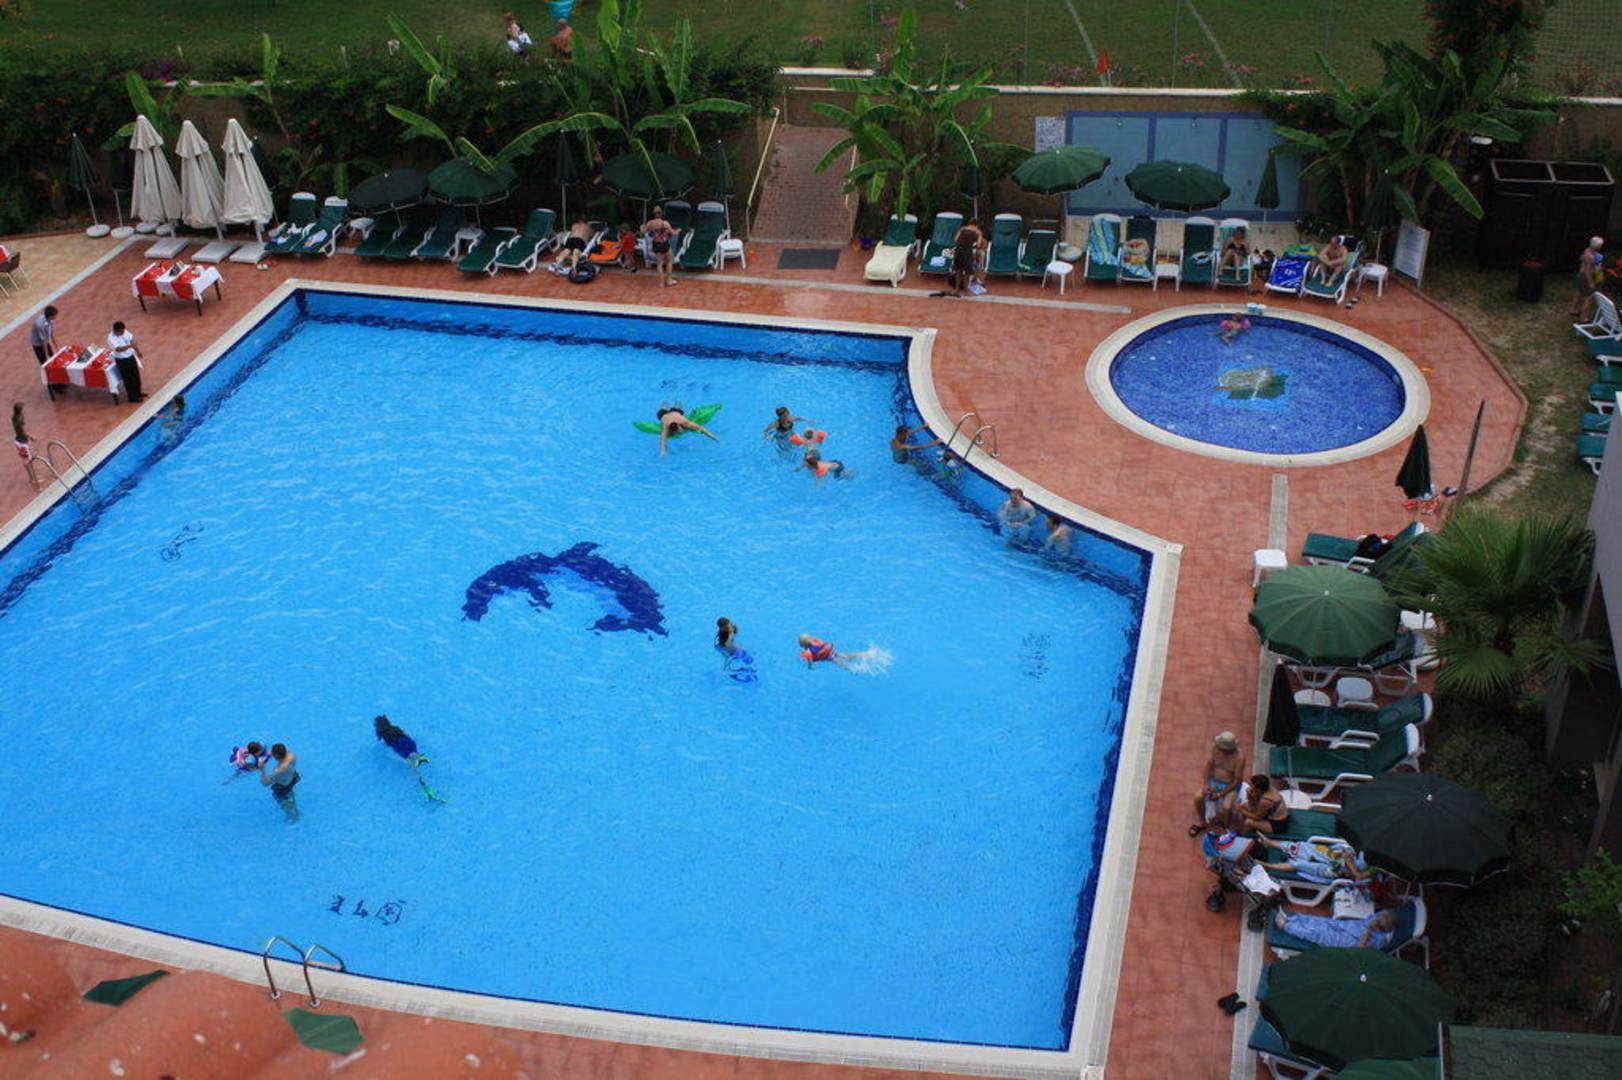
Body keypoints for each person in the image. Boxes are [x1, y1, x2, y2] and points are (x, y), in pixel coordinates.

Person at [1253, 833, 1371, 884]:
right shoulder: (1371, 843)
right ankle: (1270, 843)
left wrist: (1350, 863)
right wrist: (1349, 850)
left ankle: (1268, 866)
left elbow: (1359, 877)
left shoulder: (1376, 867)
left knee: (1302, 865)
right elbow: (1354, 846)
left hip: (1341, 871)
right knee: (1304, 847)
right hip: (1339, 855)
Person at [1192, 731, 1246, 835]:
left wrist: (1220, 794)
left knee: (1227, 807)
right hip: (1213, 782)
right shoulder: (1215, 749)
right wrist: (1206, 784)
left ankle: (1223, 826)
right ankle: (1202, 822)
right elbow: (1208, 767)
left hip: (1230, 786)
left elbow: (1237, 780)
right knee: (1198, 797)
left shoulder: (1239, 757)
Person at [1273, 907, 1396, 951]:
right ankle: (1291, 919)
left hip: (1348, 942)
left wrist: (1368, 932)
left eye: (1379, 923)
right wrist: (1371, 924)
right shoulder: (1380, 916)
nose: (1376, 920)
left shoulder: (1380, 940)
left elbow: (1359, 951)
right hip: (1348, 926)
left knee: (1318, 933)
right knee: (1319, 921)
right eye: (1378, 919)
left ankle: (1286, 926)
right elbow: (1367, 920)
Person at [798, 633, 888, 672]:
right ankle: (867, 654)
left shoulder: (808, 652)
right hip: (832, 651)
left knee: (844, 665)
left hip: (830, 657)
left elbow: (810, 662)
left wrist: (810, 667)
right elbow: (823, 645)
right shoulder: (815, 641)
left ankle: (856, 668)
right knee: (847, 656)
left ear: (803, 644)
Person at [258, 743, 300, 822]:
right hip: (293, 778)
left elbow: (265, 783)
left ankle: (293, 818)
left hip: (282, 787)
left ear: (276, 756)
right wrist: (269, 756)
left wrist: (262, 770)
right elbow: (279, 752)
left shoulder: (279, 770)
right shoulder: (291, 755)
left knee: (284, 804)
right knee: (290, 794)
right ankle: (296, 810)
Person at [107, 321, 145, 403]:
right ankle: (132, 397)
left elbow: (132, 340)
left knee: (135, 375)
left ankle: (138, 393)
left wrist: (138, 351)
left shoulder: (125, 331)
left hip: (130, 356)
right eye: (121, 332)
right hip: (122, 360)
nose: (123, 333)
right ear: (116, 331)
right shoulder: (111, 338)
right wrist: (130, 346)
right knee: (128, 379)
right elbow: (119, 349)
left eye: (123, 331)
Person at [642, 206, 679, 288]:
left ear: (653, 214)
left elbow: (644, 231)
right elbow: (673, 233)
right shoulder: (665, 223)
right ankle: (669, 280)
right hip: (664, 244)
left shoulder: (650, 223)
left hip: (656, 244)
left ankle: (661, 283)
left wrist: (641, 227)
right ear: (661, 213)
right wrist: (678, 231)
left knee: (659, 264)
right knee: (670, 260)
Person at [30, 305, 61, 400]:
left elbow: (51, 334)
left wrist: (57, 347)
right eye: (55, 315)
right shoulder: (40, 325)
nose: (56, 317)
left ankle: (59, 382)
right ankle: (52, 386)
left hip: (45, 342)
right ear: (51, 316)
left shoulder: (51, 321)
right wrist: (46, 355)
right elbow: (44, 342)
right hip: (38, 345)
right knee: (46, 364)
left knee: (54, 360)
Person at [1572, 236, 1606, 319]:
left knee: (1579, 293)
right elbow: (1587, 271)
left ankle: (1574, 310)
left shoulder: (1587, 250)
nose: (1601, 246)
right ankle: (1584, 318)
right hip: (1586, 277)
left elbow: (1581, 260)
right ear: (1597, 245)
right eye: (1600, 245)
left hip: (1581, 275)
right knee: (1589, 298)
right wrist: (1591, 283)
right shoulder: (1589, 256)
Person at [947, 220, 984, 297]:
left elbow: (955, 239)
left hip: (958, 250)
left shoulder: (962, 228)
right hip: (967, 251)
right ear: (977, 225)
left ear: (969, 223)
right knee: (967, 271)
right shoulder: (978, 231)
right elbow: (978, 245)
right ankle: (966, 291)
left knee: (959, 270)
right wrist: (973, 244)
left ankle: (957, 290)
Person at [12, 402, 39, 492]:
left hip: (17, 441)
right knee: (28, 461)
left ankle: (32, 478)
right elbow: (23, 432)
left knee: (26, 461)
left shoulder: (14, 417)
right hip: (22, 444)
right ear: (20, 411)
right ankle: (33, 479)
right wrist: (31, 437)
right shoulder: (19, 420)